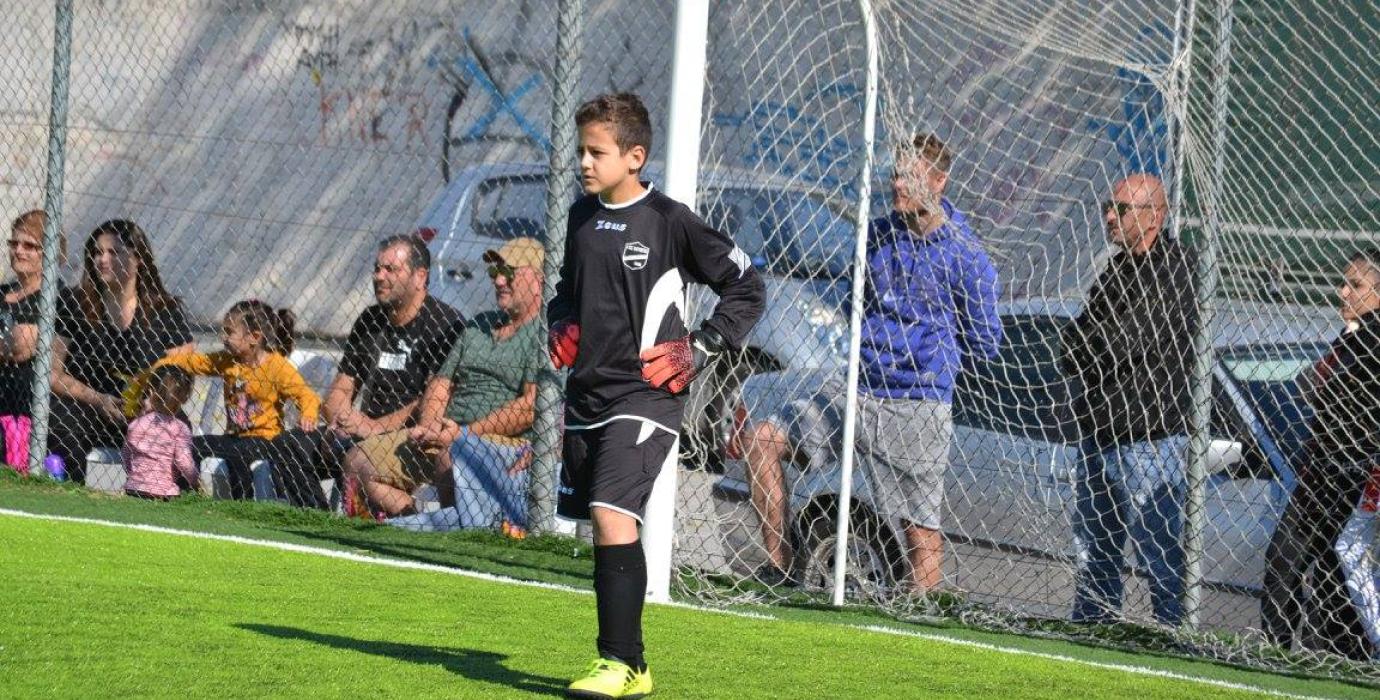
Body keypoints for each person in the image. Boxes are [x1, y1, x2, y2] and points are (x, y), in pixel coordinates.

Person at [551, 92, 765, 699]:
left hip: (647, 395)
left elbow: (747, 285)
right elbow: (566, 290)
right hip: (587, 396)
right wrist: (560, 321)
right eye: (582, 151)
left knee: (613, 515)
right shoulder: (580, 217)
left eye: (596, 152)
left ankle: (617, 662)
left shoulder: (671, 222)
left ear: (635, 156)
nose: (584, 162)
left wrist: (702, 346)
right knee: (602, 526)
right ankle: (636, 668)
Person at [741, 133, 1002, 594]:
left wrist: (928, 348)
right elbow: (855, 305)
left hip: (916, 403)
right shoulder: (876, 236)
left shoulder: (967, 256)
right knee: (761, 440)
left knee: (918, 529)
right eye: (895, 175)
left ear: (939, 182)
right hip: (856, 390)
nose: (897, 184)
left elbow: (986, 341)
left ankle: (918, 611)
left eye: (909, 177)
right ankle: (780, 570)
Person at [1059, 173, 1197, 626]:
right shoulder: (1116, 270)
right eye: (1108, 207)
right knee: (1093, 551)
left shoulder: (1176, 269)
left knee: (1160, 552)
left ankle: (1175, 636)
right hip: (1098, 433)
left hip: (1149, 439)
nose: (1109, 217)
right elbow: (1072, 345)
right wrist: (1098, 344)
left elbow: (1125, 341)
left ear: (1154, 216)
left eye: (1120, 209)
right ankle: (1093, 628)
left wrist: (1098, 344)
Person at [342, 237, 544, 520]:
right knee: (358, 461)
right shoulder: (478, 325)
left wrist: (464, 434)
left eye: (509, 272)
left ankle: (451, 536)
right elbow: (441, 383)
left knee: (450, 458)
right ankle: (415, 520)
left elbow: (530, 406)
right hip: (446, 433)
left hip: (498, 443)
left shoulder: (543, 333)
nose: (499, 280)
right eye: (495, 271)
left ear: (539, 278)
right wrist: (429, 426)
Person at [269, 234, 462, 508]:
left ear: (420, 277)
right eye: (377, 268)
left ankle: (406, 518)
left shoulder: (444, 325)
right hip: (358, 432)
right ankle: (316, 519)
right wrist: (339, 421)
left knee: (361, 458)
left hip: (408, 438)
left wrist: (375, 427)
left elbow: (433, 400)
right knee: (288, 445)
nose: (379, 277)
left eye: (390, 269)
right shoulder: (370, 320)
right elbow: (341, 388)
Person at [1262, 248, 1380, 660]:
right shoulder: (1352, 335)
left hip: (1355, 475)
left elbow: (1330, 388)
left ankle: (1335, 656)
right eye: (1344, 283)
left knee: (1335, 576)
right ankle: (1275, 651)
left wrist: (1356, 334)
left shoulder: (1371, 338)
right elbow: (1310, 384)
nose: (1343, 292)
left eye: (1356, 285)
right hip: (1320, 472)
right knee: (1283, 560)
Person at [125, 300, 320, 500]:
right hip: (233, 437)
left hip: (265, 440)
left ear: (253, 337)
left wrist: (308, 414)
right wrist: (161, 364)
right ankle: (183, 494)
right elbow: (195, 362)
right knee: (193, 445)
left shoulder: (277, 367)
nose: (223, 337)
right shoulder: (228, 361)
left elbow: (305, 394)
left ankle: (241, 503)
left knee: (239, 454)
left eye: (229, 332)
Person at [49, 219, 194, 482]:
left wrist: (155, 403)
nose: (102, 260)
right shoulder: (74, 303)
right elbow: (53, 373)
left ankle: (165, 494)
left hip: (148, 409)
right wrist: (98, 399)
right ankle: (69, 490)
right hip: (89, 407)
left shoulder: (166, 311)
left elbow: (183, 373)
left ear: (137, 259)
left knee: (177, 426)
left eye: (113, 252)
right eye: (97, 252)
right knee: (60, 419)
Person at [0, 210, 66, 472]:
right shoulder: (3, 292)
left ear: (50, 253)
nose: (18, 250)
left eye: (29, 245)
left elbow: (18, 347)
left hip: (23, 398)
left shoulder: (56, 298)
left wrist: (9, 342)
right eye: (14, 243)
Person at [122, 365, 196, 500]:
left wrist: (134, 475)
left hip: (134, 488)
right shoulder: (180, 428)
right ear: (184, 398)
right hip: (165, 491)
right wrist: (196, 483)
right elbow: (185, 463)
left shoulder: (136, 424)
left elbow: (126, 456)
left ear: (150, 392)